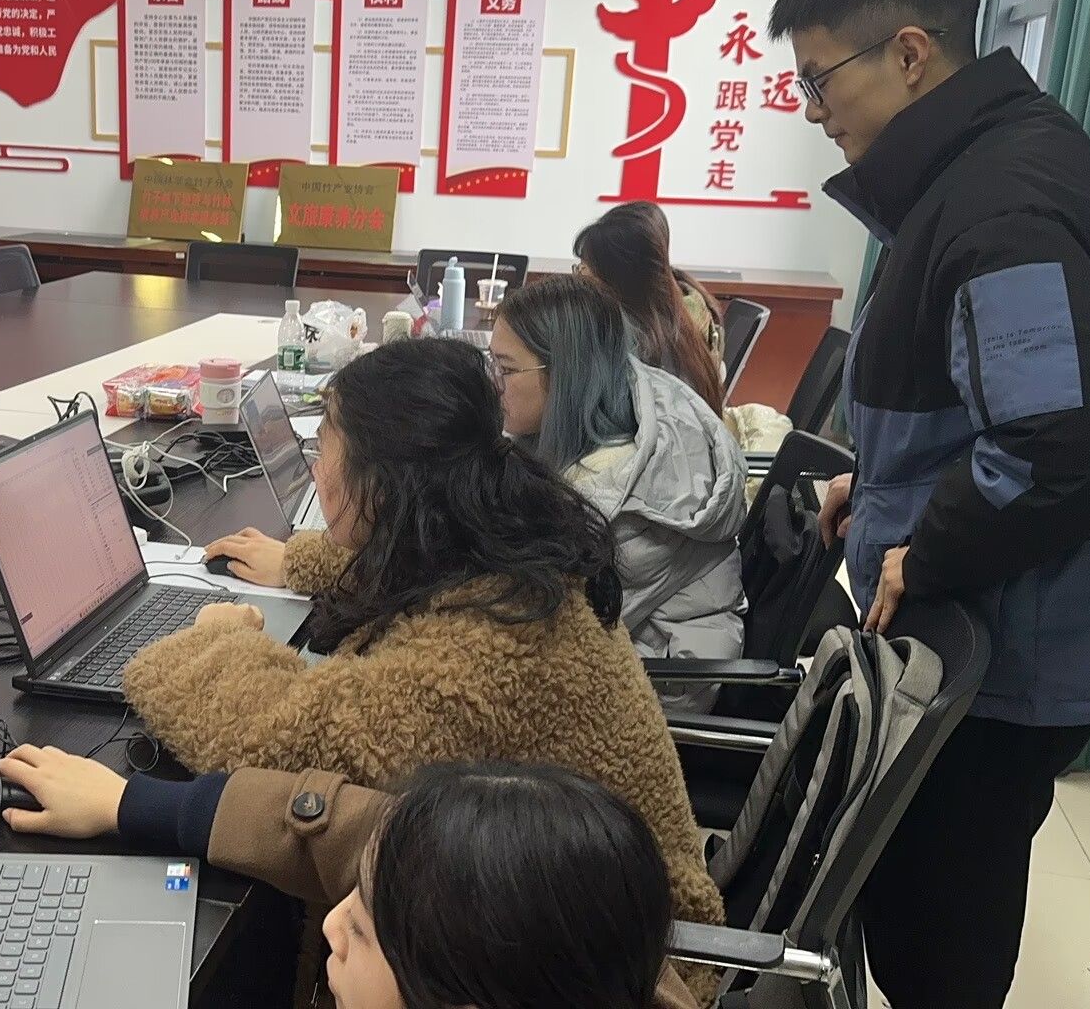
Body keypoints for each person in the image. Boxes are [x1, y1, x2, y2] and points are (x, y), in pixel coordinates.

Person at [768, 0, 1090, 1006]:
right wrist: (877, 485)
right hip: (1009, 615)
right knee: (924, 902)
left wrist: (929, 546)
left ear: (910, 54)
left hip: (1014, 642)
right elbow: (986, 398)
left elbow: (1066, 444)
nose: (814, 111)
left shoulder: (1001, 203)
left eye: (819, 80)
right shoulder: (979, 167)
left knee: (939, 931)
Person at [124, 337, 725, 959]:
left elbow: (266, 741)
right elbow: (415, 556)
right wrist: (299, 561)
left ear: (384, 486)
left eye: (324, 447)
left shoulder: (476, 660)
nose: (316, 468)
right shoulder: (505, 547)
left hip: (614, 964)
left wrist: (217, 636)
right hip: (575, 909)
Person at [0, 749, 699, 1009]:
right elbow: (359, 827)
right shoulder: (583, 937)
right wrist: (130, 803)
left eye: (362, 926)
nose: (332, 922)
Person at [490, 275, 746, 711]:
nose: (494, 383)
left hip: (657, 689)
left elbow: (542, 628)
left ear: (563, 374)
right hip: (627, 653)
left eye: (506, 369)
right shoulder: (623, 395)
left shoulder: (616, 496)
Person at [573, 200, 727, 408]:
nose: (580, 281)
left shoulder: (639, 348)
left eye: (585, 270)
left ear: (618, 278)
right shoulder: (685, 302)